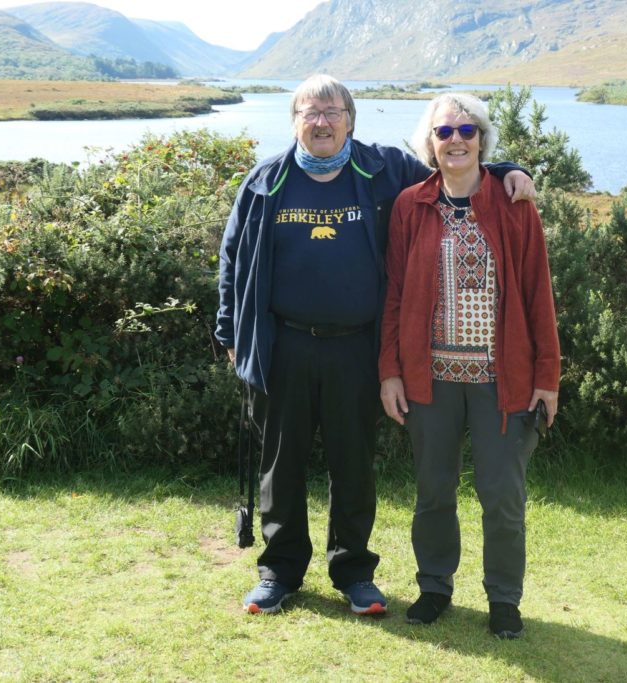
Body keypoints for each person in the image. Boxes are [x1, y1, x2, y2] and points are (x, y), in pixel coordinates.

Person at [215, 75, 535, 616]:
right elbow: (232, 260)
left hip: (355, 347)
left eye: (332, 111)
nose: (321, 122)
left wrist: (506, 170)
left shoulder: (382, 168)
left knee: (353, 464)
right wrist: (230, 333)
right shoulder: (266, 180)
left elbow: (452, 167)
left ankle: (354, 572)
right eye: (310, 112)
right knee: (281, 463)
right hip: (283, 344)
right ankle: (279, 572)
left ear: (350, 118)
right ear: (295, 120)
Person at [378, 93, 560, 638]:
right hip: (428, 379)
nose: (455, 139)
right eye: (443, 132)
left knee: (502, 495)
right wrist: (390, 370)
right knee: (433, 492)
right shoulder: (410, 205)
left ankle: (503, 599)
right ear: (429, 144)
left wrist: (547, 378)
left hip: (502, 383)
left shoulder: (514, 205)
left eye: (466, 129)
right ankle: (435, 586)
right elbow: (393, 295)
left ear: (481, 138)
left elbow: (537, 295)